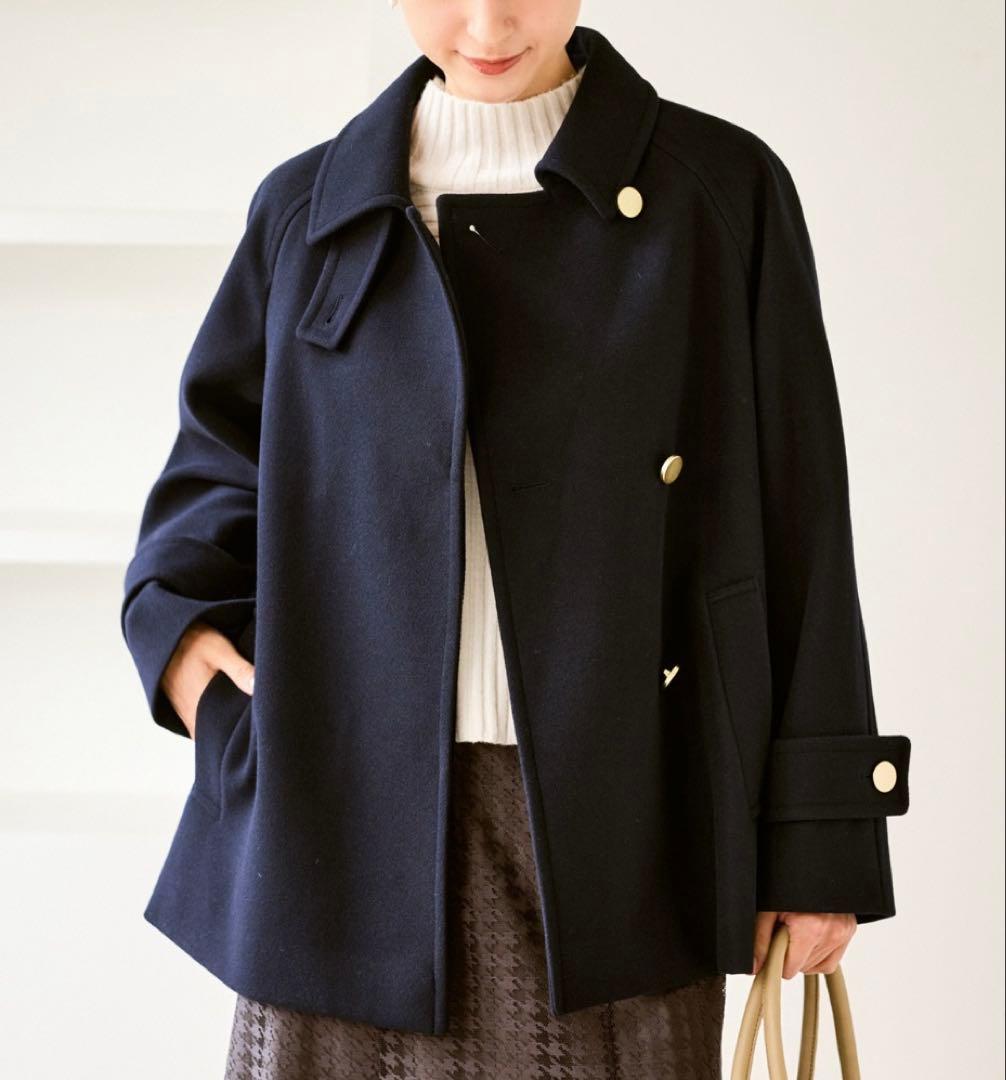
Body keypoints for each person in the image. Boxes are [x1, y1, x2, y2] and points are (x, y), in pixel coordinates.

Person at [124, 3, 910, 1078]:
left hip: (623, 837)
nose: (488, 21)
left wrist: (817, 843)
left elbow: (801, 523)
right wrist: (186, 655)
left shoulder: (718, 193)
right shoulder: (309, 209)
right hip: (337, 830)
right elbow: (214, 477)